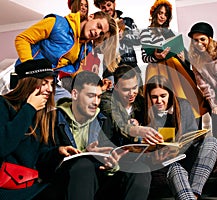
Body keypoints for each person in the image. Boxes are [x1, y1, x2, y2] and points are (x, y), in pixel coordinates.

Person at [46, 70, 149, 200]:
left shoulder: (104, 119)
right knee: (84, 165)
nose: (96, 102)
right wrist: (60, 152)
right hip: (67, 183)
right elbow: (42, 160)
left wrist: (112, 163)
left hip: (100, 181)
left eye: (99, 96)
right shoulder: (53, 119)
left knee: (140, 169)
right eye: (90, 96)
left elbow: (112, 156)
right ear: (75, 94)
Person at [0, 59, 79, 200]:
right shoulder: (3, 105)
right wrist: (29, 109)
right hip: (7, 188)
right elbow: (3, 146)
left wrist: (57, 152)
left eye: (51, 83)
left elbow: (40, 159)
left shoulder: (46, 115)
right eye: (44, 83)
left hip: (34, 186)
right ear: (29, 84)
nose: (50, 89)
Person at [14, 10, 118, 101]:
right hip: (29, 76)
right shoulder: (56, 23)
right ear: (91, 17)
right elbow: (23, 39)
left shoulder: (86, 48)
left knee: (70, 103)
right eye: (98, 26)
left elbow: (78, 73)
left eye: (101, 33)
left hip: (50, 83)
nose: (97, 33)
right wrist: (31, 69)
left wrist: (98, 84)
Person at [144, 75, 217, 199]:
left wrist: (181, 146)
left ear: (170, 94)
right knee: (176, 169)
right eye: (154, 97)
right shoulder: (146, 112)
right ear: (149, 97)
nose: (159, 101)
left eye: (163, 96)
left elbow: (192, 135)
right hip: (167, 163)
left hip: (187, 156)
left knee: (212, 141)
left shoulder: (183, 105)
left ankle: (194, 192)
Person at [140, 0, 206, 122]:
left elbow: (180, 51)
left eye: (165, 14)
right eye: (160, 13)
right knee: (162, 102)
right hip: (157, 70)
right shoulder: (146, 32)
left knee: (186, 97)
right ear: (154, 13)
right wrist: (156, 57)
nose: (162, 17)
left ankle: (190, 127)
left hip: (175, 67)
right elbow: (145, 57)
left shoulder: (170, 32)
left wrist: (181, 56)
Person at [100, 64, 163, 146]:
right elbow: (118, 124)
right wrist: (137, 130)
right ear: (115, 87)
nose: (131, 93)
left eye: (134, 88)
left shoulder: (141, 101)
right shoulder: (107, 100)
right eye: (126, 90)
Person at [94, 0, 141, 75]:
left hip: (131, 65)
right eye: (103, 7)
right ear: (100, 9)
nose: (107, 9)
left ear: (114, 3)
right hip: (110, 70)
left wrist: (124, 35)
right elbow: (97, 49)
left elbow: (138, 40)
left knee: (137, 86)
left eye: (109, 5)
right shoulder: (100, 27)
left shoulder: (128, 21)